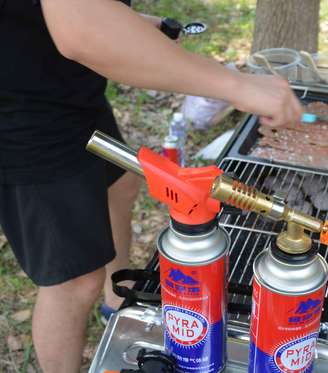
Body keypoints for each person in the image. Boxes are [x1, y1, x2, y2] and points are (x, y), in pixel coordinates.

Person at [0, 0, 303, 372]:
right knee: (75, 281)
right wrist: (236, 85)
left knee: (121, 186)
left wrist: (125, 25)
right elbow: (80, 29)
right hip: (24, 118)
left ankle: (118, 307)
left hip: (68, 92)